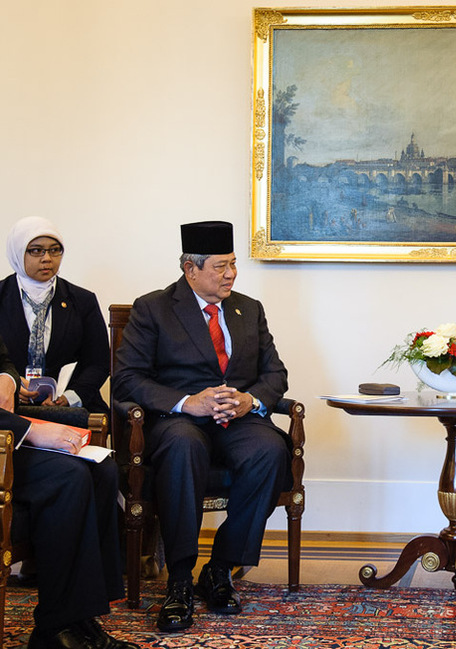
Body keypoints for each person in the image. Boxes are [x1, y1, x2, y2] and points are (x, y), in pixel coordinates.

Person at [113, 220, 290, 633]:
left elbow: (275, 374)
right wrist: (187, 402)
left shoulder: (250, 309)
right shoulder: (153, 308)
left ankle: (221, 568)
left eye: (233, 265)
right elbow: (128, 378)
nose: (230, 274)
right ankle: (179, 578)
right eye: (220, 266)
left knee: (269, 450)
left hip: (236, 419)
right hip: (178, 420)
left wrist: (251, 400)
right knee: (182, 447)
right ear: (190, 269)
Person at [0, 335, 137, 649]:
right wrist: (31, 430)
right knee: (68, 477)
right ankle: (54, 626)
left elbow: (2, 357)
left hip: (5, 433)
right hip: (7, 434)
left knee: (101, 469)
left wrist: (7, 377)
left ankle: (82, 618)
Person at [0, 216, 110, 412]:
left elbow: (98, 361)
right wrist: (11, 383)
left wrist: (69, 397)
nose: (47, 258)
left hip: (69, 407)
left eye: (54, 250)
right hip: (8, 405)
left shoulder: (82, 300)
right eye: (36, 250)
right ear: (17, 252)